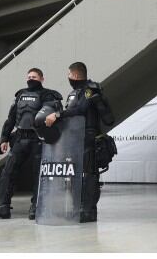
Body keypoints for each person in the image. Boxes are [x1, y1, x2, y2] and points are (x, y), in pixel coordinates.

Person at [0, 68, 62, 220]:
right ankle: (2, 207)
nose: (30, 79)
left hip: (38, 140)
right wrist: (4, 139)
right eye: (28, 77)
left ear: (42, 78)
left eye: (34, 77)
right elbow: (11, 119)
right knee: (8, 172)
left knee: (38, 175)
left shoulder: (49, 95)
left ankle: (37, 206)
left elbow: (56, 114)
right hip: (19, 138)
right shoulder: (20, 94)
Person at [44, 62, 115, 222]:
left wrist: (58, 115)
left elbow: (81, 109)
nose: (68, 77)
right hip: (75, 139)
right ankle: (77, 208)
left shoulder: (90, 90)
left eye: (69, 74)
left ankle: (88, 211)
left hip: (89, 138)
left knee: (89, 175)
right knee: (75, 176)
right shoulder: (74, 93)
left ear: (75, 75)